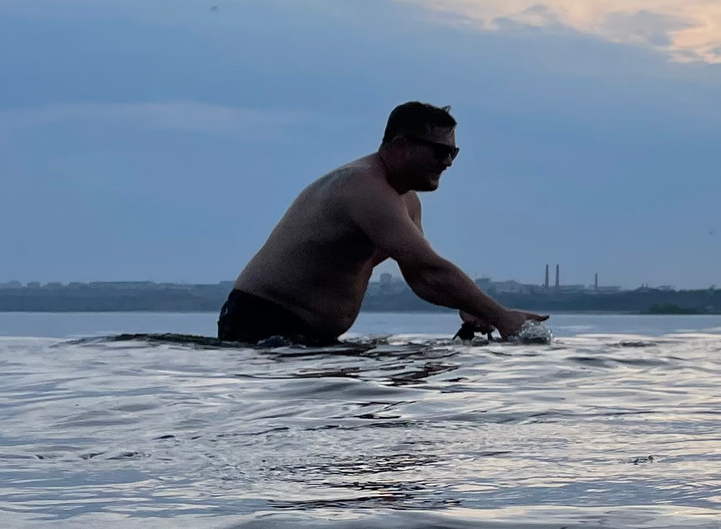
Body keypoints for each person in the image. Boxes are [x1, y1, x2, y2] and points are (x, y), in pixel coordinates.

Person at [219, 102, 548, 346]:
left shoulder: (405, 201)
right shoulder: (363, 188)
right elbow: (429, 267)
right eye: (438, 151)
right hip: (263, 324)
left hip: (308, 337)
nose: (447, 162)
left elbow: (421, 278)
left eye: (454, 152)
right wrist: (503, 318)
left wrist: (475, 309)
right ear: (402, 147)